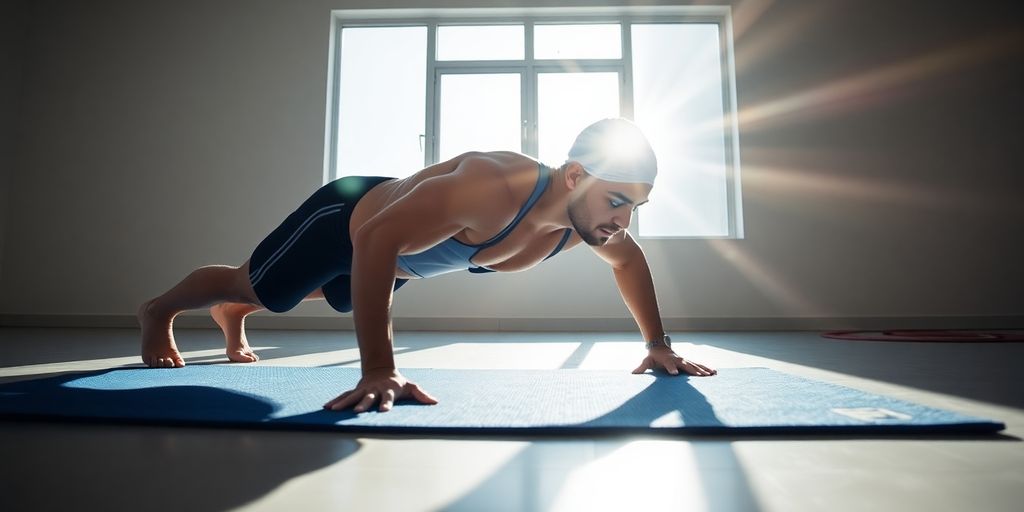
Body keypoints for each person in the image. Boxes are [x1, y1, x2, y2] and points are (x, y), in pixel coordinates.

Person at [137, 118, 717, 413]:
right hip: (349, 218)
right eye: (617, 200)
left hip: (397, 261)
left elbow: (630, 264)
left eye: (636, 207)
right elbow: (374, 241)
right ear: (573, 176)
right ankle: (162, 310)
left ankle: (236, 314)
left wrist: (658, 344)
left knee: (313, 295)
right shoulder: (492, 186)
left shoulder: (584, 226)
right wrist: (378, 370)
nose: (624, 220)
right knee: (260, 285)